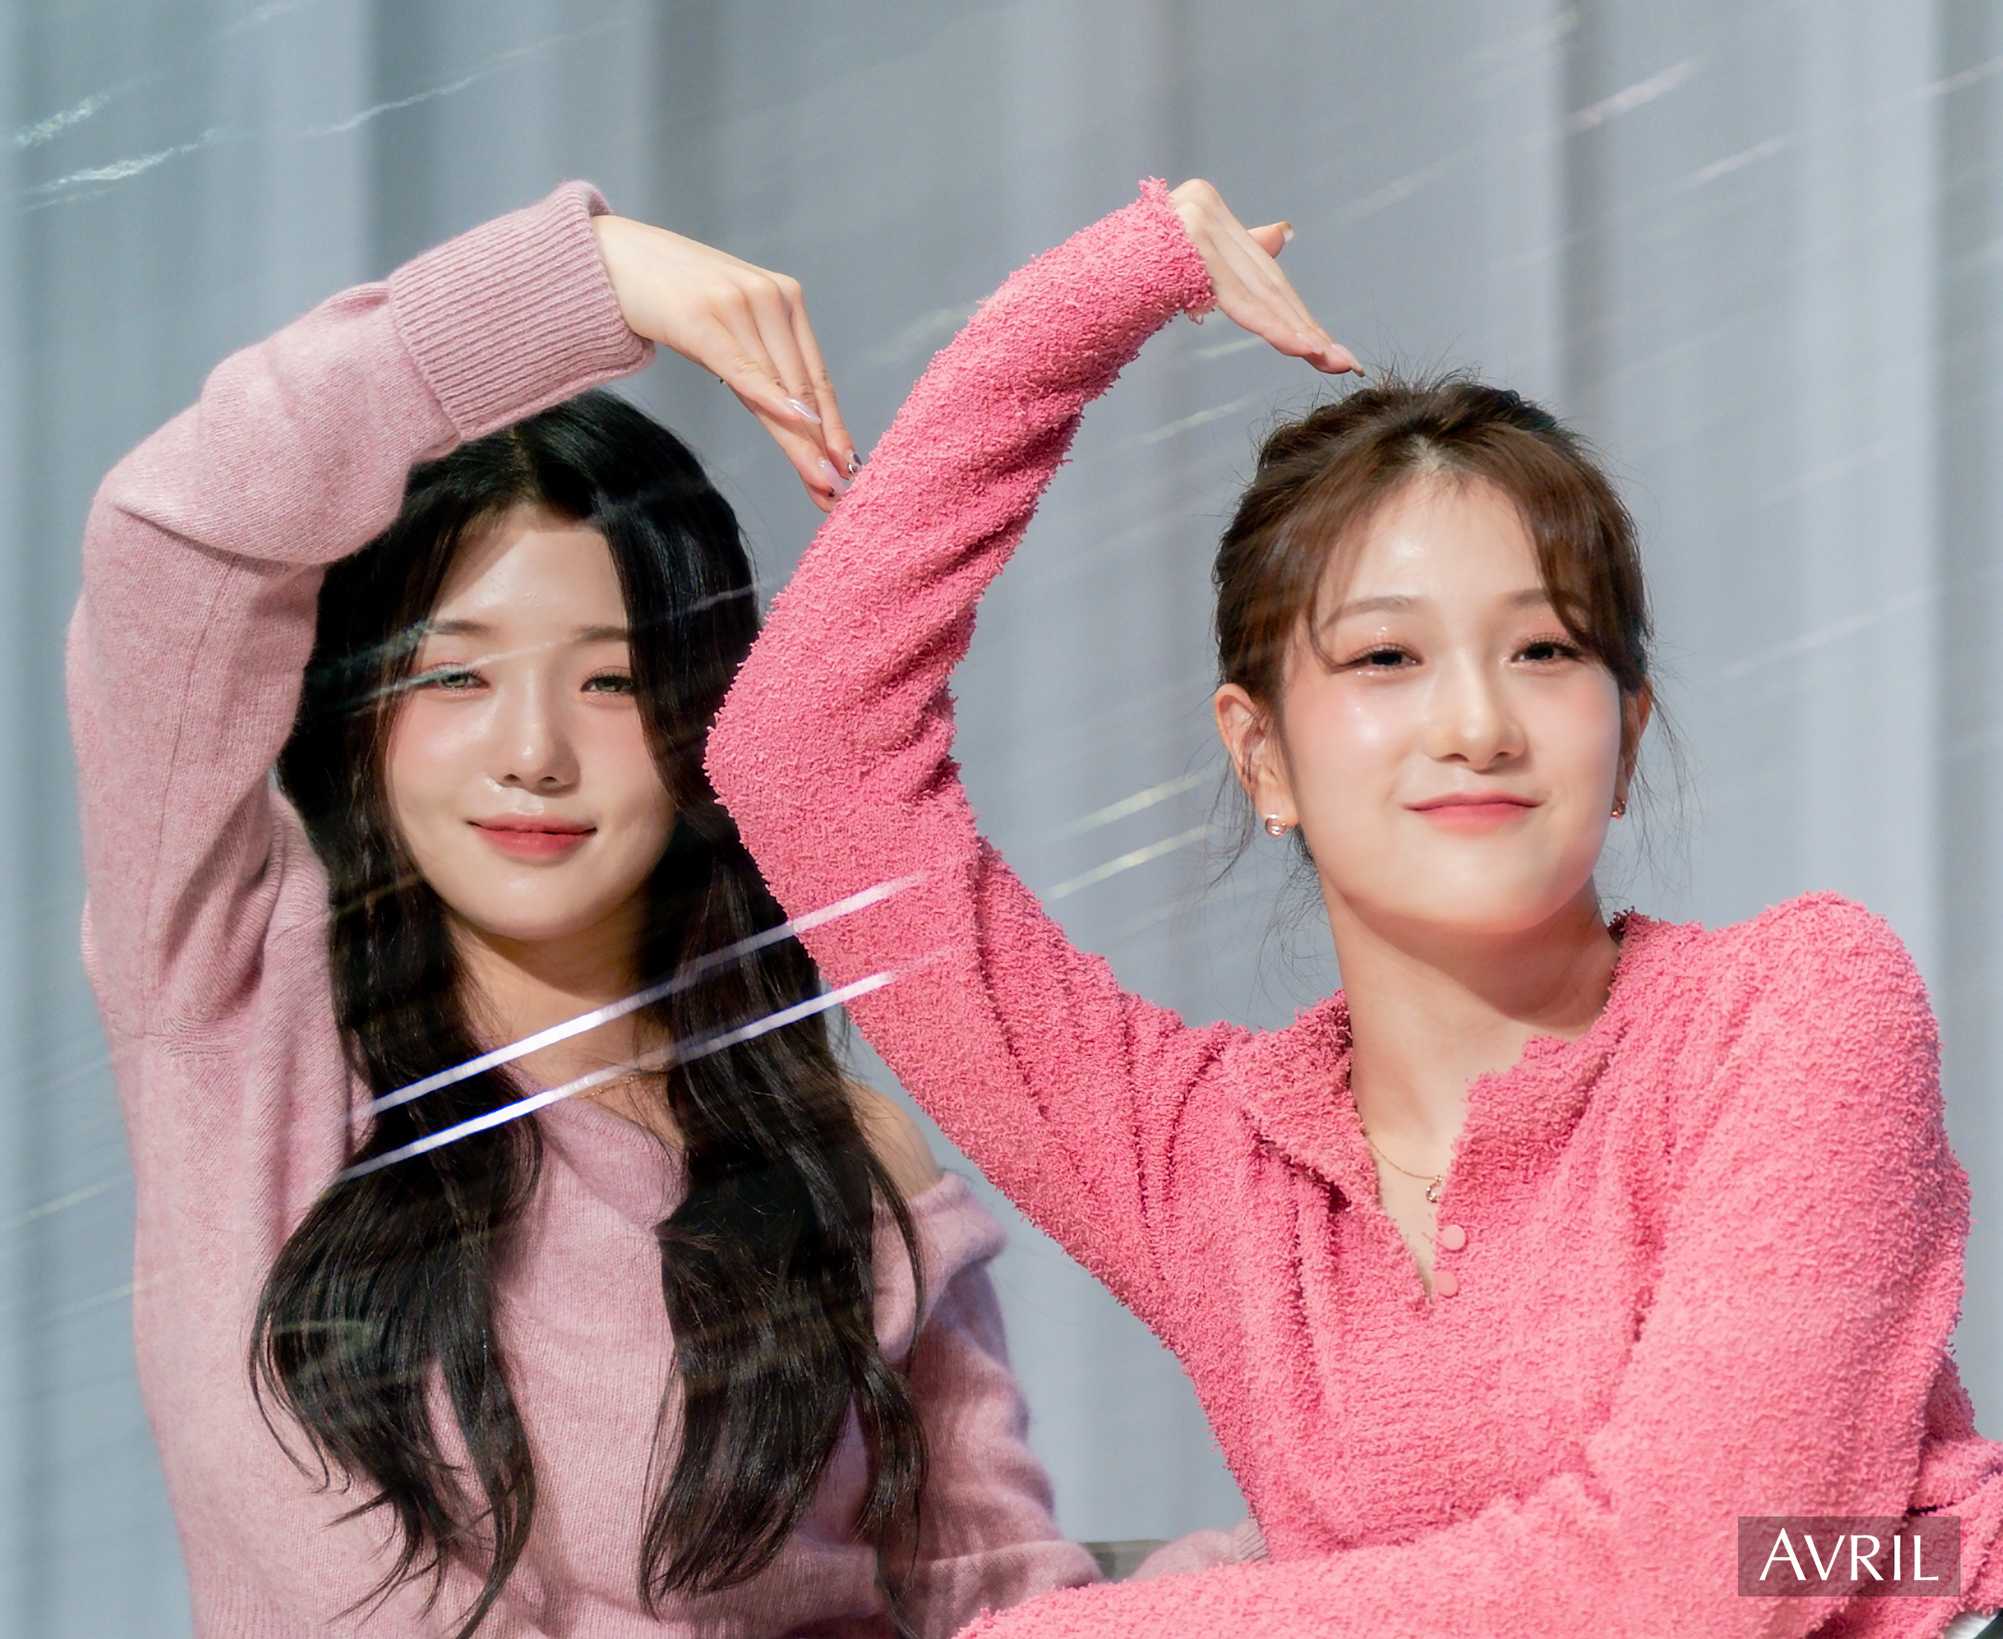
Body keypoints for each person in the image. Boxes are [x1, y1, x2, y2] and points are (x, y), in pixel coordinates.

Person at [705, 176, 2003, 1637]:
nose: (1477, 725)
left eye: (1546, 652)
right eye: (1388, 658)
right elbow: (803, 756)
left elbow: (1710, 1570)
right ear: (1260, 754)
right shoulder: (1204, 1165)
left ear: (1627, 736)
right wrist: (1108, 291)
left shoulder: (1797, 1011)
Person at [70, 181, 1099, 1638]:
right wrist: (588, 278)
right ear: (362, 716)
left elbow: (989, 1600)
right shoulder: (245, 1015)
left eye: (611, 678)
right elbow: (169, 545)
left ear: (700, 719)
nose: (535, 752)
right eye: (457, 675)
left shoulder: (837, 1154)